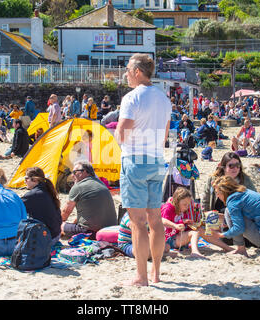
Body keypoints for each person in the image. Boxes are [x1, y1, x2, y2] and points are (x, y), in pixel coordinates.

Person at [115, 53, 171, 287]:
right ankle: (156, 272)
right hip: (157, 160)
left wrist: (119, 138)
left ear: (138, 72)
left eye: (128, 69)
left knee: (137, 222)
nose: (125, 73)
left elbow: (122, 132)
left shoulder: (132, 98)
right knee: (155, 219)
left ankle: (141, 276)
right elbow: (165, 136)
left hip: (135, 160)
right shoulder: (164, 98)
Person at [60, 160, 117, 239]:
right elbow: (90, 211)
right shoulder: (101, 184)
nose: (72, 175)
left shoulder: (78, 187)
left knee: (59, 225)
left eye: (75, 172)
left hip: (91, 233)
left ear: (85, 172)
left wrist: (59, 224)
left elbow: (65, 212)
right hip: (110, 231)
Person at [21, 167, 62, 249]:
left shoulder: (33, 195)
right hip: (56, 235)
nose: (24, 181)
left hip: (47, 239)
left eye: (26, 179)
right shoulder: (48, 190)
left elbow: (16, 208)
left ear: (35, 180)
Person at [161, 188, 205, 258]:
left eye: (188, 205)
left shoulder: (181, 209)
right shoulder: (168, 208)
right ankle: (195, 252)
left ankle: (225, 246)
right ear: (177, 201)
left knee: (199, 230)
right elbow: (164, 224)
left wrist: (186, 224)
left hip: (176, 236)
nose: (187, 207)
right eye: (185, 204)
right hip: (168, 239)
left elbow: (180, 224)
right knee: (194, 233)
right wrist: (179, 223)